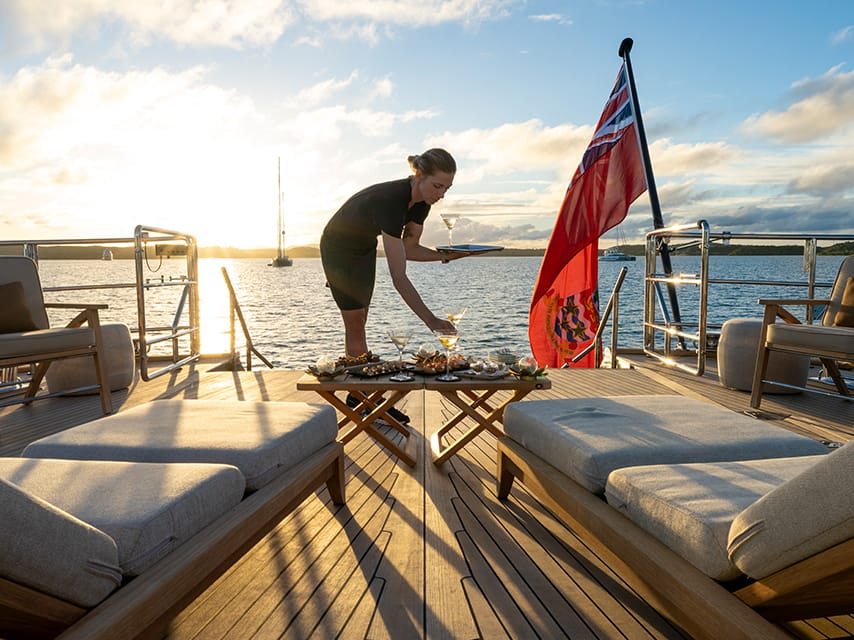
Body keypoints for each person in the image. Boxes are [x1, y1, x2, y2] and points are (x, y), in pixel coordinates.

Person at [320, 148, 466, 422]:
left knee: (361, 318)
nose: (441, 194)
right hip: (338, 249)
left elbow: (410, 249)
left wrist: (448, 255)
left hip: (363, 249)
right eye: (437, 186)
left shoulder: (422, 203)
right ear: (418, 174)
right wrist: (431, 320)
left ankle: (361, 397)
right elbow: (399, 276)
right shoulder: (392, 201)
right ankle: (364, 398)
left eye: (447, 188)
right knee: (355, 321)